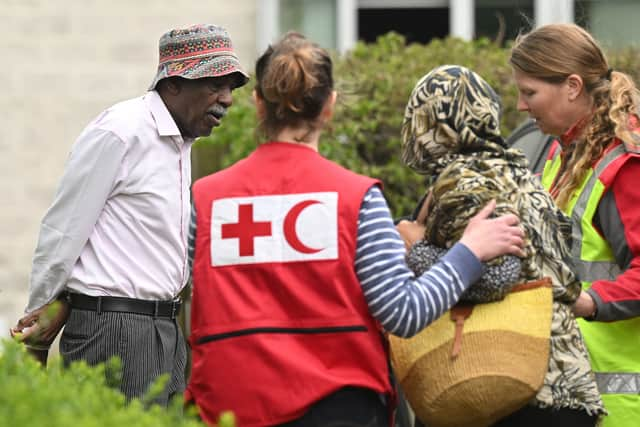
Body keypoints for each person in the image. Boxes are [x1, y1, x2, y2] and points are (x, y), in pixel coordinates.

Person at [185, 32, 525, 427]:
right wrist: (469, 253)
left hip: (228, 408)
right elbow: (404, 312)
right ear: (330, 107)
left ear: (259, 104)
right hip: (339, 408)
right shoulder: (355, 197)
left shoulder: (206, 199)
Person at [10, 24, 249, 405]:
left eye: (232, 87)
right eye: (215, 84)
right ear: (173, 84)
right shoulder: (121, 131)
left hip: (163, 329)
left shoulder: (179, 143)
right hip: (116, 330)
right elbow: (63, 231)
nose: (228, 99)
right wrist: (39, 323)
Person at [399, 65, 605, 426]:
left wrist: (414, 249)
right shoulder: (520, 170)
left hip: (511, 391)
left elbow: (498, 277)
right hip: (565, 385)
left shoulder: (464, 182)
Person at [510, 23, 640, 427]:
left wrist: (585, 302)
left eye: (529, 92)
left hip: (619, 408)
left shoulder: (625, 165)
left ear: (571, 86)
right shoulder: (559, 153)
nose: (520, 106)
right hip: (572, 401)